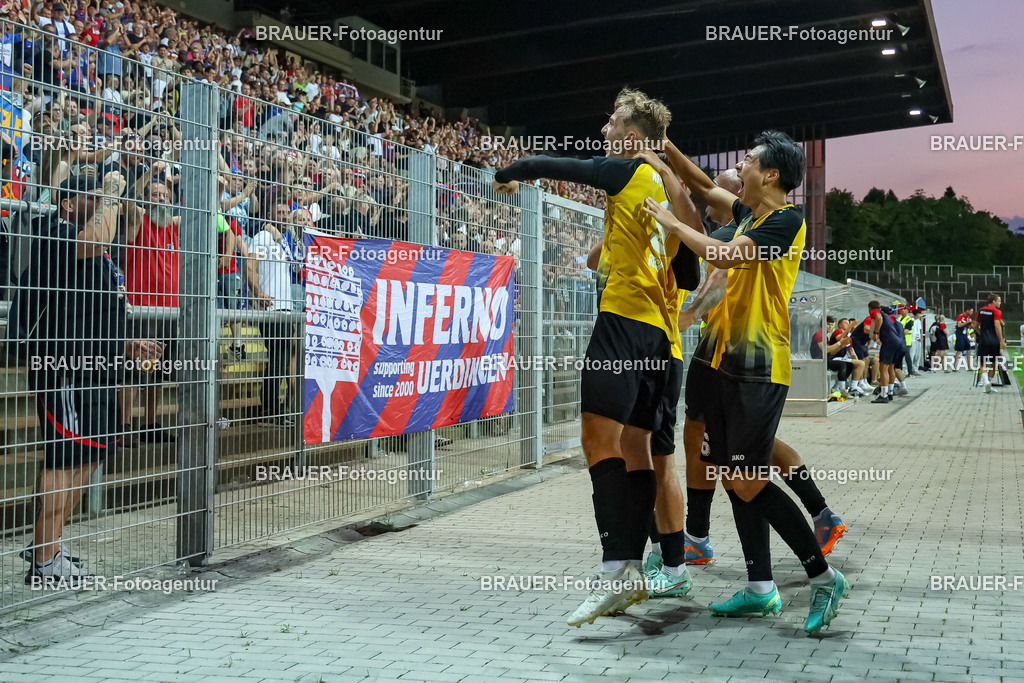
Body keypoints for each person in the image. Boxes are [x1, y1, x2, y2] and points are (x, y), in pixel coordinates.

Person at [492, 88, 700, 627]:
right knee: (637, 450)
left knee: (596, 439)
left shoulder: (628, 170)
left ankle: (618, 572)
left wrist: (511, 170)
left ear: (633, 137)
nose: (604, 126)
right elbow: (689, 274)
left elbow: (563, 165)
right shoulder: (665, 193)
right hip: (661, 340)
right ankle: (637, 568)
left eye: (613, 119)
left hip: (625, 325)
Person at [645, 130, 847, 634]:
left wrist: (672, 221)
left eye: (749, 160)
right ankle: (760, 587)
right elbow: (699, 181)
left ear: (771, 174)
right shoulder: (749, 214)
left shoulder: (785, 222)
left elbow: (725, 257)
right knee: (736, 478)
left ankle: (823, 578)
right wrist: (665, 144)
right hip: (721, 363)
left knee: (748, 479)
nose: (741, 165)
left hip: (760, 368)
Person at [10, 173, 162, 583]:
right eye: (91, 198)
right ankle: (44, 563)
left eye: (103, 198)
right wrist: (113, 189)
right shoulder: (58, 233)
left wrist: (128, 346)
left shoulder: (96, 250)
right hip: (64, 371)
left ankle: (49, 544)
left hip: (97, 370)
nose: (103, 204)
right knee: (67, 460)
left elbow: (89, 312)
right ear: (69, 204)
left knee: (91, 456)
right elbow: (95, 238)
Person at [120, 180, 180, 445]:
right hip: (141, 310)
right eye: (154, 195)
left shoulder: (173, 228)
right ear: (146, 200)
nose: (161, 199)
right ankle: (122, 425)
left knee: (156, 370)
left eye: (165, 195)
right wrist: (146, 176)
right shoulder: (138, 222)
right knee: (134, 370)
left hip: (168, 313)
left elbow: (211, 212)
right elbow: (128, 203)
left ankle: (149, 423)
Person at [975, 293, 1006, 393]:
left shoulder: (981, 310)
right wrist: (1001, 340)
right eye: (999, 301)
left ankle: (986, 383)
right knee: (994, 363)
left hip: (983, 340)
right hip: (994, 341)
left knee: (982, 363)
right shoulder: (997, 312)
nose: (1000, 303)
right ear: (993, 301)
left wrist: (981, 333)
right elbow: (997, 326)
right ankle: (989, 382)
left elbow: (975, 325)